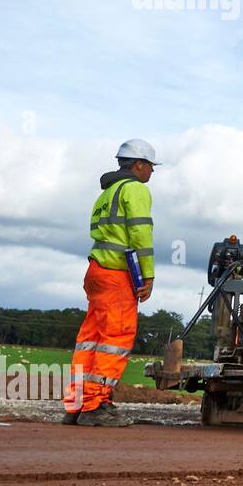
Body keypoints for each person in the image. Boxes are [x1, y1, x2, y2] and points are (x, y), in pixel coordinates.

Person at [63, 139, 160, 427]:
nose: (152, 173)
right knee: (114, 340)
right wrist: (148, 275)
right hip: (117, 275)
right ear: (139, 165)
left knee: (89, 341)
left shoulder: (107, 193)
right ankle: (96, 406)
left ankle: (77, 404)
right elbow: (141, 236)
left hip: (96, 270)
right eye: (151, 167)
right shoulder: (135, 189)